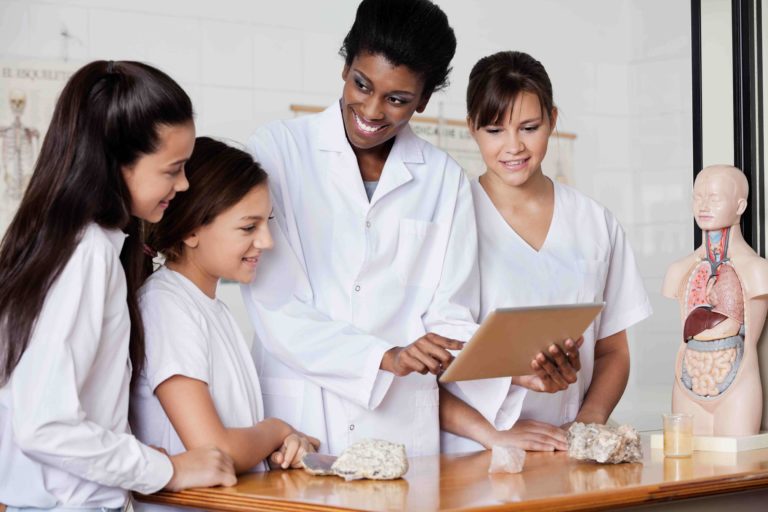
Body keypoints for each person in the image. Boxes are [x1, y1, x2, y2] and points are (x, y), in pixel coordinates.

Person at [241, 0, 579, 458]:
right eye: (362, 84)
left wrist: (510, 369)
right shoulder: (279, 150)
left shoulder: (443, 178)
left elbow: (452, 316)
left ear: (422, 100)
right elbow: (275, 303)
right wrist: (383, 357)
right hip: (299, 415)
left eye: (397, 99)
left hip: (400, 424)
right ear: (345, 67)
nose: (372, 109)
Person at [0, 61, 236, 512]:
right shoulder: (85, 254)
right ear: (115, 164)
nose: (183, 184)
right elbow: (45, 425)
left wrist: (144, 461)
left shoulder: (64, 243)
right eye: (172, 170)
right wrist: (170, 470)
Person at [441, 51, 652, 453]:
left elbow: (613, 350)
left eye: (529, 127)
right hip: (474, 453)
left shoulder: (594, 222)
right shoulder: (450, 220)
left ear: (552, 120)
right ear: (471, 129)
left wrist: (586, 427)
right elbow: (424, 369)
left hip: (568, 449)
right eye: (494, 130)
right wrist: (496, 436)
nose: (513, 146)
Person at [131, 137, 320, 512]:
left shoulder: (211, 308)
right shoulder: (166, 305)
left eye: (266, 223)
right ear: (191, 230)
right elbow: (212, 450)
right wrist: (277, 430)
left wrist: (284, 444)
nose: (266, 241)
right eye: (248, 227)